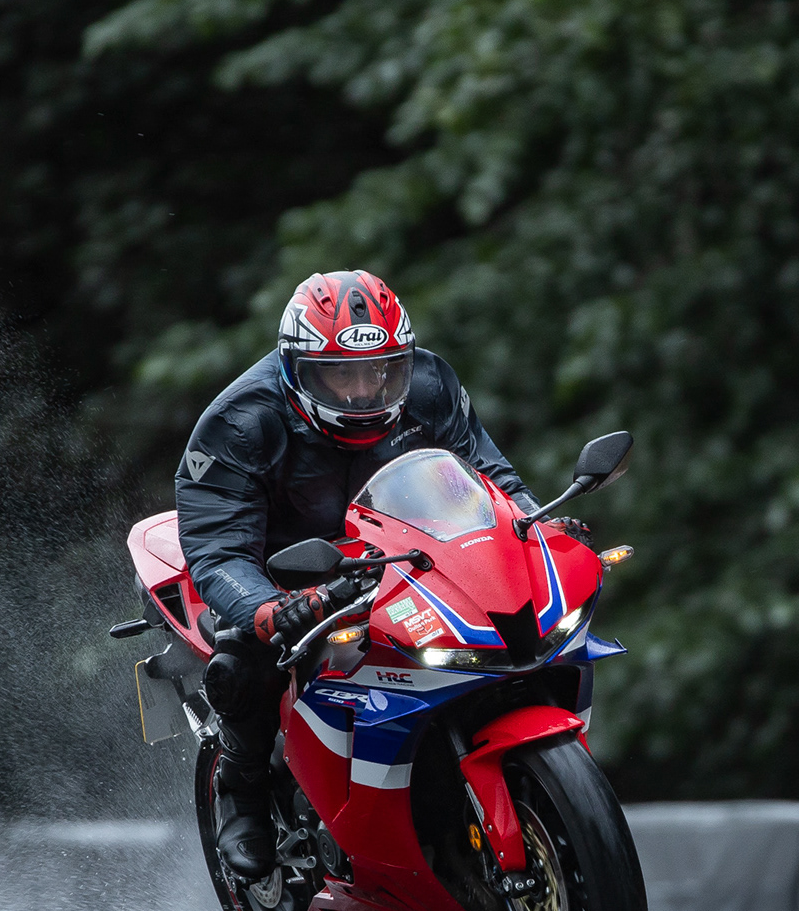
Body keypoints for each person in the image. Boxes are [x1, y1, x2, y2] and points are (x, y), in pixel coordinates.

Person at [174, 269, 585, 880]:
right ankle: (242, 792)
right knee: (245, 654)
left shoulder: (430, 385)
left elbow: (491, 477)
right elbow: (217, 549)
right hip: (288, 570)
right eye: (340, 375)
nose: (364, 391)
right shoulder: (240, 423)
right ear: (295, 368)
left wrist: (536, 524)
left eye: (383, 371)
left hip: (410, 554)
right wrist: (267, 607)